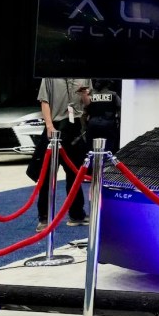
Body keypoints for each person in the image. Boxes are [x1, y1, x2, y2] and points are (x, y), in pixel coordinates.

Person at [34, 78, 92, 231]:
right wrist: (49, 125)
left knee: (75, 173)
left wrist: (85, 95)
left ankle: (76, 214)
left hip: (75, 126)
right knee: (47, 174)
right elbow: (44, 101)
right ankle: (44, 217)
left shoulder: (84, 76)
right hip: (55, 126)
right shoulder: (49, 77)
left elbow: (87, 103)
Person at [84, 79, 121, 154]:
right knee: (108, 150)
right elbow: (120, 110)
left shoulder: (91, 95)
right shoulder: (114, 95)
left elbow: (85, 110)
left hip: (92, 125)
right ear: (108, 84)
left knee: (92, 150)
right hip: (109, 126)